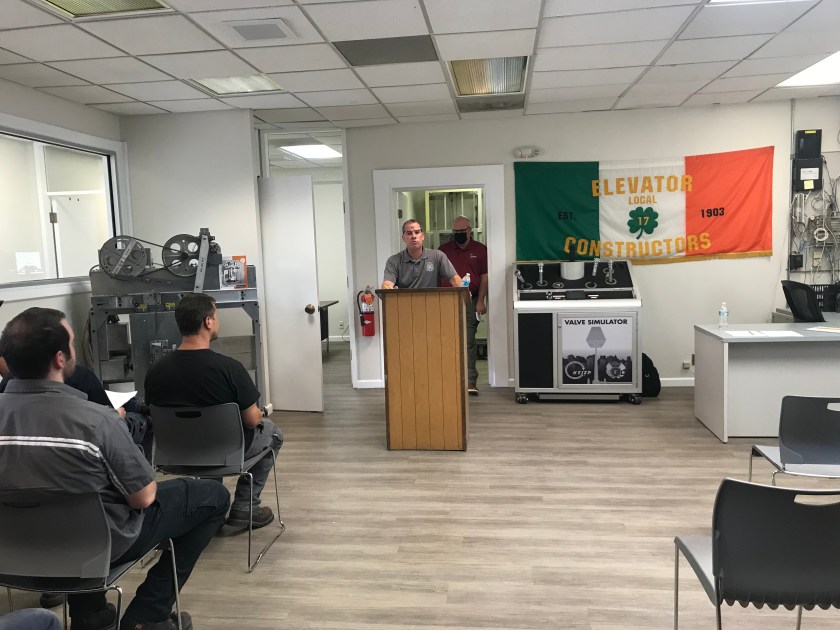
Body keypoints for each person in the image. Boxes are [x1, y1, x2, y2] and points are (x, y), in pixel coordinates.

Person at [0, 308, 229, 630]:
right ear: (60, 359)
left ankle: (92, 613)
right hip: (93, 547)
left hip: (12, 551)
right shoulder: (97, 421)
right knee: (212, 497)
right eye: (72, 344)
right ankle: (148, 615)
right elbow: (143, 497)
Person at [143, 293, 283, 530]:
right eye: (216, 316)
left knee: (204, 434)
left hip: (175, 454)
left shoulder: (155, 371)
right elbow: (251, 421)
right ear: (208, 321)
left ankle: (210, 506)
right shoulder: (230, 369)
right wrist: (260, 414)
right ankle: (245, 507)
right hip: (224, 453)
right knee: (273, 433)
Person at [439, 215, 488, 396]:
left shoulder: (480, 250)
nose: (459, 234)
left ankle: (470, 381)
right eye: (456, 231)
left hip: (470, 300)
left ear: (470, 231)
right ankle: (447, 380)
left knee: (468, 341)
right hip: (445, 300)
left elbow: (484, 277)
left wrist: (481, 301)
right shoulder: (443, 251)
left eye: (462, 231)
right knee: (445, 340)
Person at [381, 219, 462, 289]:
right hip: (405, 302)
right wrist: (387, 288)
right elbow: (387, 285)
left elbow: (455, 280)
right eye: (409, 233)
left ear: (422, 236)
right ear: (403, 238)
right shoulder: (394, 261)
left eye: (417, 232)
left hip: (432, 302)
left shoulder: (438, 256)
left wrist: (464, 292)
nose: (414, 236)